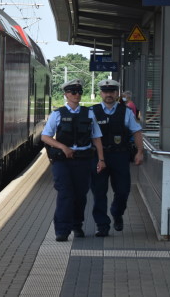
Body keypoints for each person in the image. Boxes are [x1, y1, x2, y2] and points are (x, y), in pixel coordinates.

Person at [41, 79, 105, 242]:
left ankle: (77, 225)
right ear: (66, 95)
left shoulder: (89, 114)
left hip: (83, 160)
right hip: (62, 161)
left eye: (78, 92)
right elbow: (45, 137)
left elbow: (96, 137)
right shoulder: (57, 114)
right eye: (72, 92)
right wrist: (63, 147)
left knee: (80, 195)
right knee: (65, 194)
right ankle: (62, 230)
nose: (76, 95)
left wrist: (101, 159)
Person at [90, 79, 145, 237]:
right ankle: (102, 225)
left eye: (112, 92)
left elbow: (137, 132)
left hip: (120, 156)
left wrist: (140, 151)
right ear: (101, 93)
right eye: (105, 92)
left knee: (123, 191)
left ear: (116, 94)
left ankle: (117, 212)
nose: (109, 94)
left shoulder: (126, 111)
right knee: (99, 192)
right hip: (98, 157)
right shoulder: (92, 111)